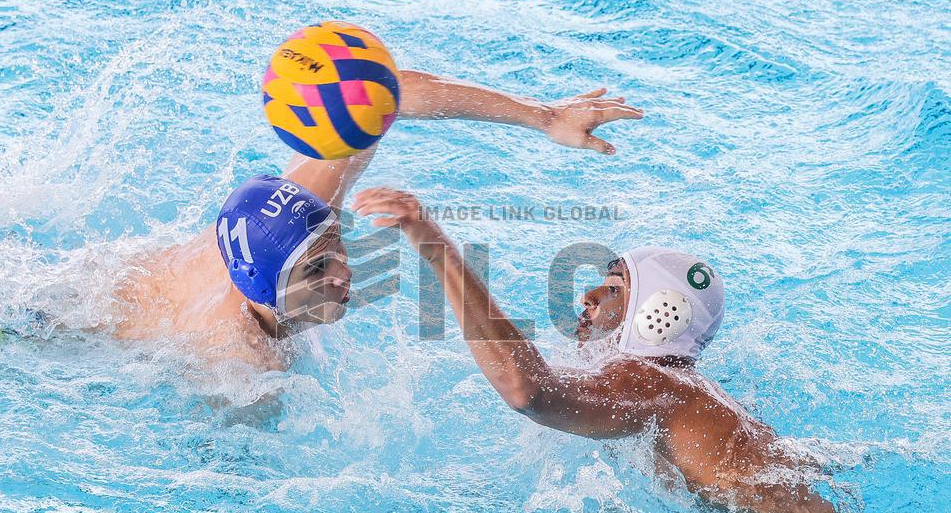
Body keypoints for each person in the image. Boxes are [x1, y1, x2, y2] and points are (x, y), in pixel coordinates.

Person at [351, 187, 886, 513]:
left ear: (658, 313)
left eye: (615, 286)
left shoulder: (652, 381)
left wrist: (434, 245)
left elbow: (527, 390)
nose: (588, 294)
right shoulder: (689, 393)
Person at [110, 71, 643, 369]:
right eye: (317, 272)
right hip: (80, 321)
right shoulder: (240, 364)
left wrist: (543, 117)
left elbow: (373, 95)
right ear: (268, 288)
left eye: (335, 246)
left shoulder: (292, 218)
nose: (344, 274)